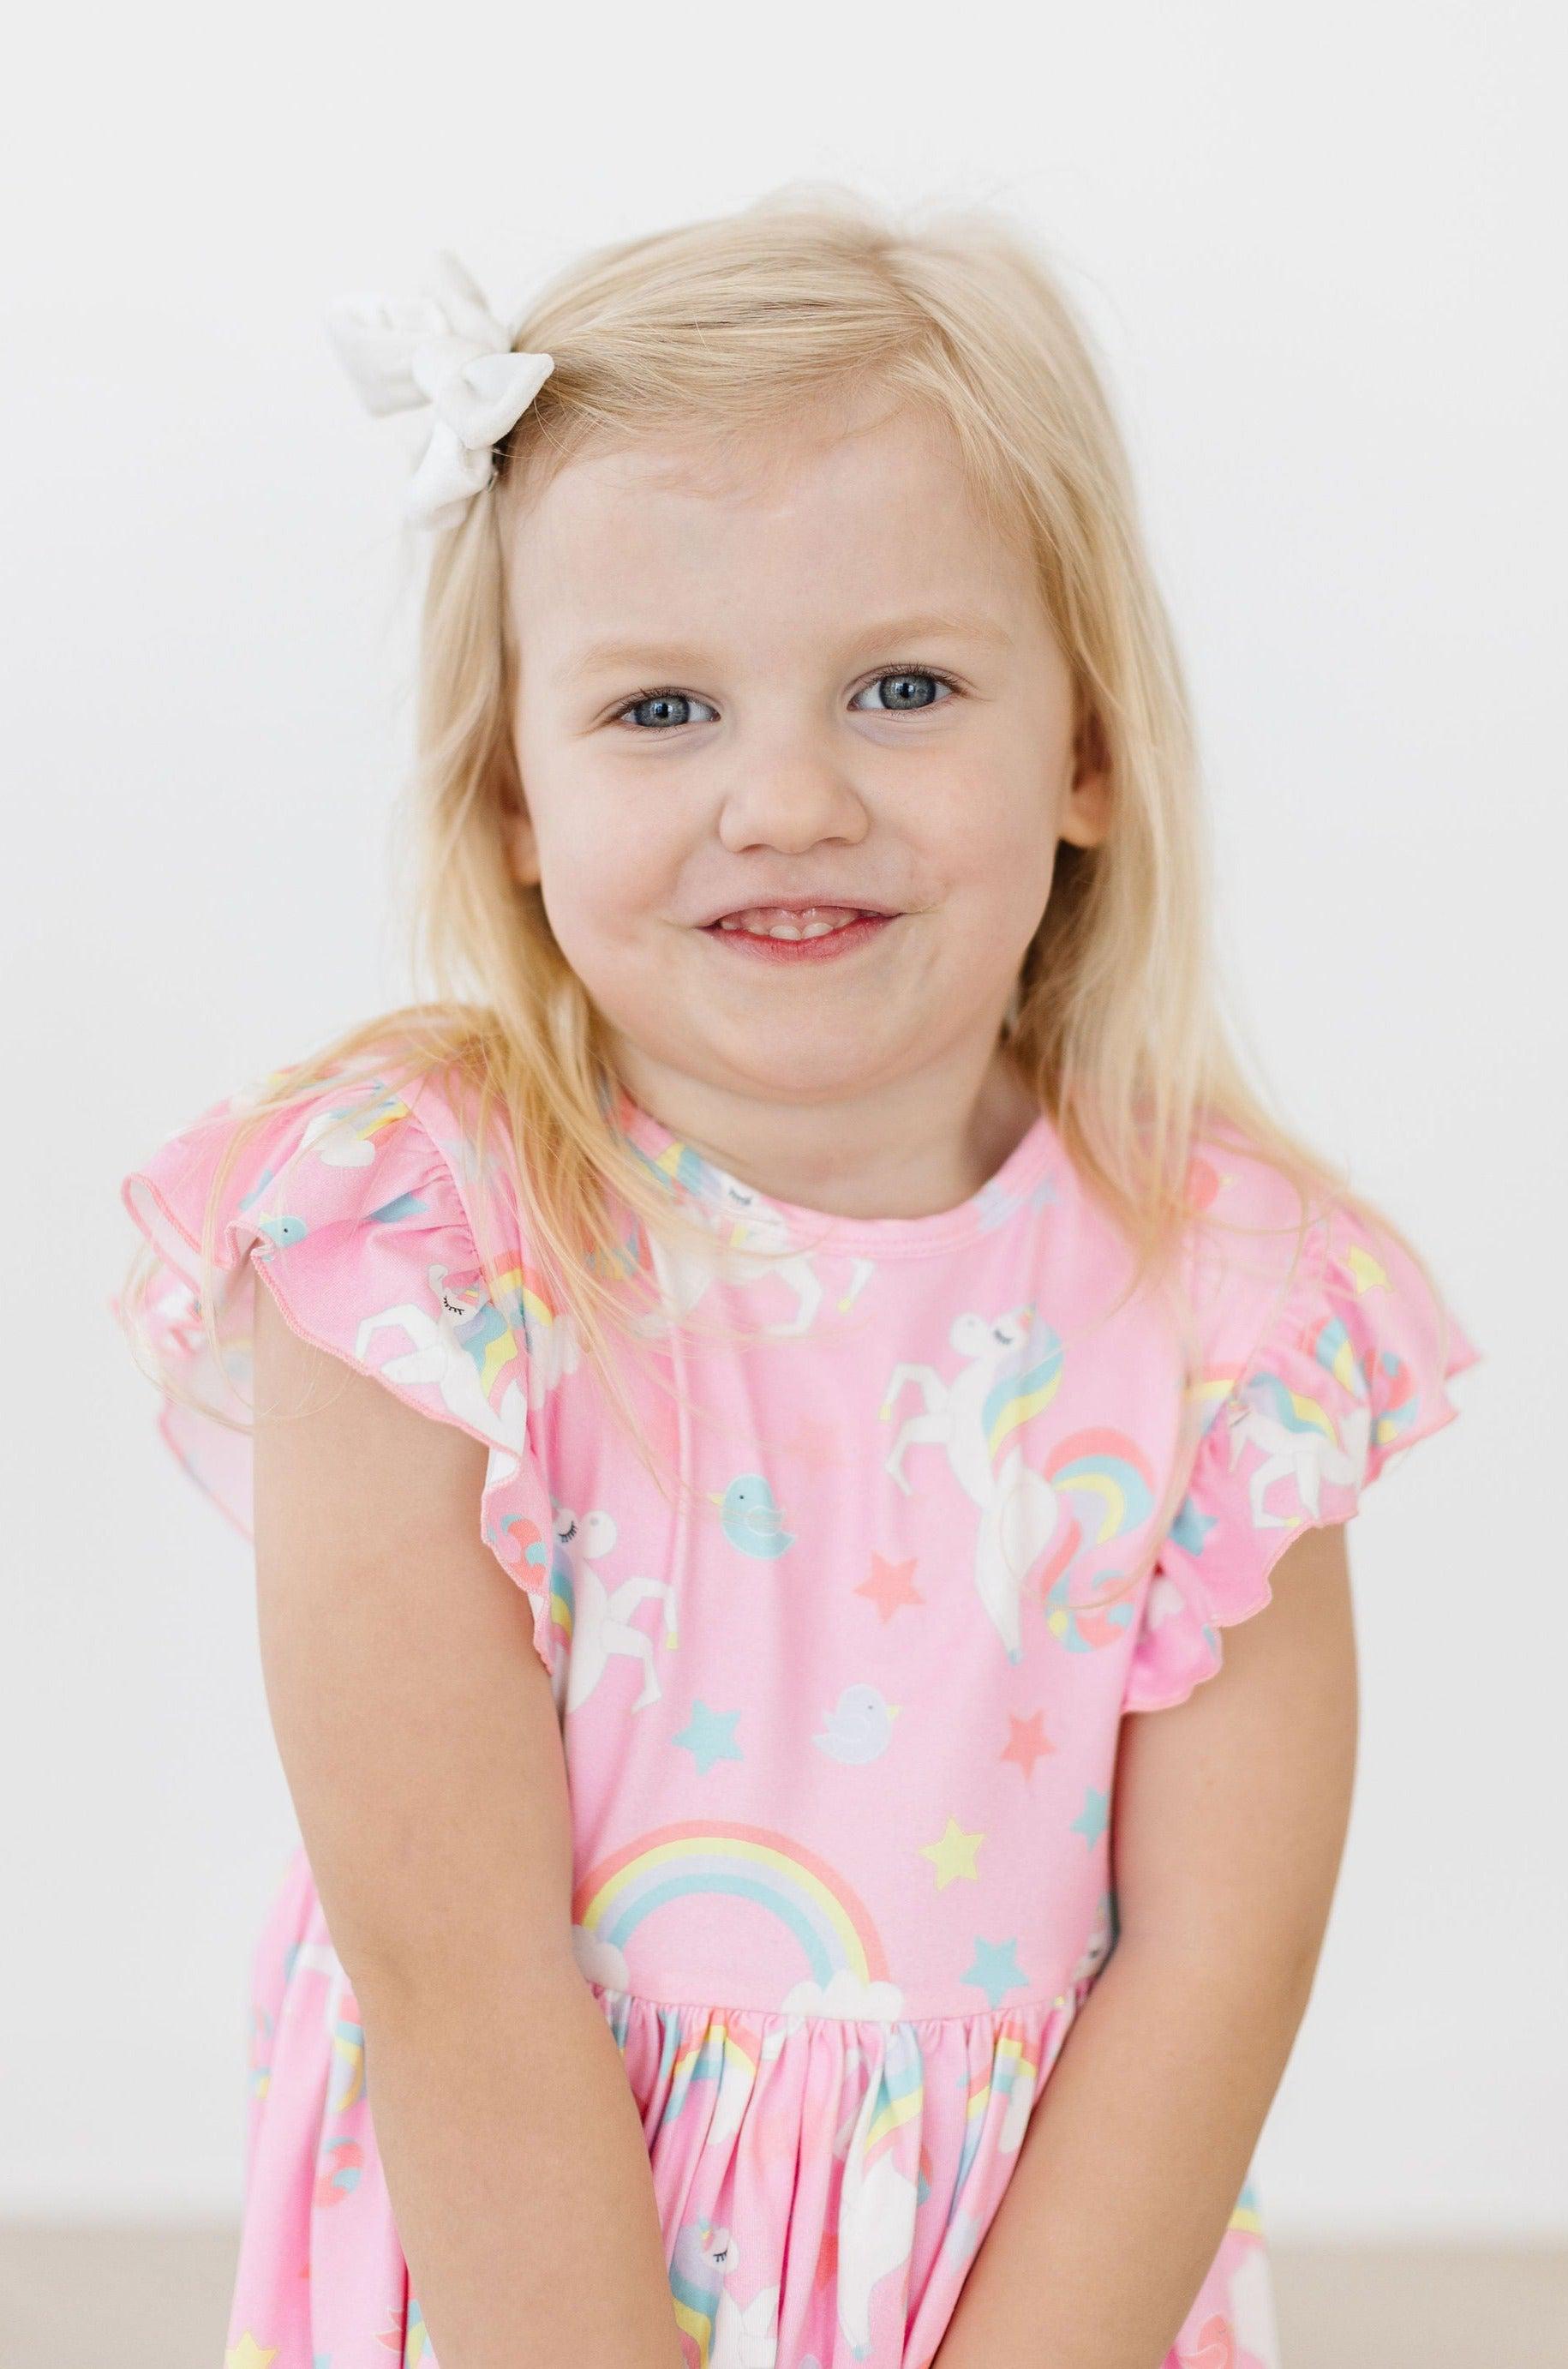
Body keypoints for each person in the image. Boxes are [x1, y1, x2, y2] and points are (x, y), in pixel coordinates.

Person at [112, 189, 1481, 2369]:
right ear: (515, 797)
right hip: (531, 2268)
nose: (785, 797)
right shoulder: (419, 1254)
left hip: (1038, 2284)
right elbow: (455, 1960)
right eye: (661, 706)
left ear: (1087, 750)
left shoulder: (1232, 1310)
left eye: (903, 688)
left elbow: (1215, 1963)